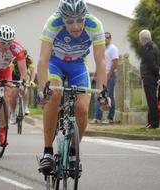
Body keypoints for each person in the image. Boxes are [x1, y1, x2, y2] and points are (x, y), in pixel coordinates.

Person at [37, 0, 109, 175]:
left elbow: (100, 62)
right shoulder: (52, 23)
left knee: (82, 109)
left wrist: (103, 93)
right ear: (62, 19)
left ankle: (73, 152)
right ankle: (47, 151)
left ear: (86, 17)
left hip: (78, 65)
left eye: (79, 20)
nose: (76, 26)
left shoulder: (95, 24)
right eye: (69, 21)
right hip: (55, 63)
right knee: (53, 95)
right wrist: (42, 90)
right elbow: (43, 60)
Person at [91, 31, 119, 124]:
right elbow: (99, 63)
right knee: (98, 96)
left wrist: (108, 76)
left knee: (109, 97)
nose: (105, 39)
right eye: (104, 37)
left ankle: (110, 118)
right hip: (100, 75)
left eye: (107, 37)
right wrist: (95, 76)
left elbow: (115, 63)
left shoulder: (113, 49)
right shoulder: (102, 49)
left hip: (109, 75)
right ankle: (97, 117)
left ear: (110, 39)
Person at [138, 29, 160, 129]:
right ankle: (150, 121)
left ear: (143, 38)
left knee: (152, 100)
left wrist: (157, 75)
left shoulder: (150, 48)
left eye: (140, 39)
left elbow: (152, 65)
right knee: (150, 100)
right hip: (149, 77)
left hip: (150, 77)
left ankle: (154, 123)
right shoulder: (150, 47)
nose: (140, 41)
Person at [9, 50, 35, 124]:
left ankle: (25, 105)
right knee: (14, 94)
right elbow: (10, 72)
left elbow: (32, 71)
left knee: (25, 88)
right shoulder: (14, 60)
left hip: (24, 76)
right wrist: (10, 82)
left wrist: (32, 81)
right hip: (15, 76)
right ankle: (13, 113)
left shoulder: (29, 59)